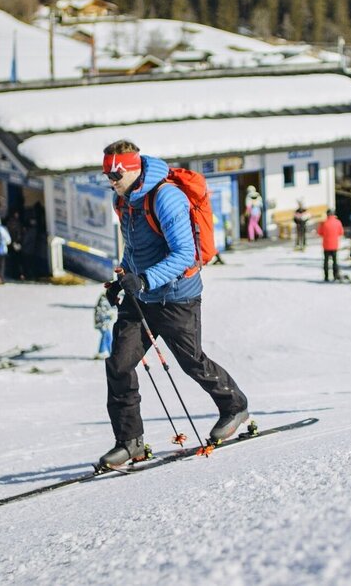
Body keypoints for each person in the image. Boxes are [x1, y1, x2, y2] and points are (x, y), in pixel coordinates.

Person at [97, 139, 249, 468]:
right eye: (107, 174)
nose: (111, 180)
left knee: (192, 362)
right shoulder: (123, 199)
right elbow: (134, 247)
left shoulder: (166, 197)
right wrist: (124, 279)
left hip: (177, 295)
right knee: (119, 364)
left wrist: (145, 279)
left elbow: (185, 254)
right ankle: (130, 441)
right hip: (142, 297)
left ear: (133, 170)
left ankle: (234, 406)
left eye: (115, 174)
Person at [317, 208, 345, 282]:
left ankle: (326, 277)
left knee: (326, 261)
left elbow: (319, 233)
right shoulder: (338, 222)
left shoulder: (324, 223)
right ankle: (335, 275)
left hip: (326, 245)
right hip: (334, 245)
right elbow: (341, 232)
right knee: (335, 261)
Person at [94, 291, 115, 359]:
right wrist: (109, 316)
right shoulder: (104, 301)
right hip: (102, 323)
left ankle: (109, 352)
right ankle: (103, 351)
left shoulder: (105, 300)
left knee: (107, 336)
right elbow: (102, 312)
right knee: (106, 336)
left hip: (104, 323)